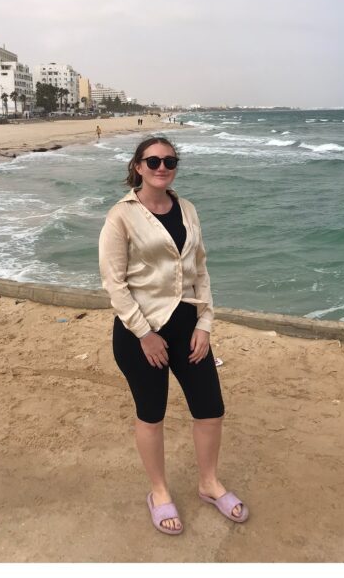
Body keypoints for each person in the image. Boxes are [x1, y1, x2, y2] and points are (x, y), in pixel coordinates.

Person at [99, 137, 248, 536]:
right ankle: (159, 491)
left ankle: (208, 483)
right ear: (138, 166)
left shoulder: (187, 209)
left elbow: (201, 271)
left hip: (188, 326)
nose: (162, 167)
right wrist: (145, 334)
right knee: (152, 414)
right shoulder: (121, 216)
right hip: (139, 333)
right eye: (154, 161)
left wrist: (205, 323)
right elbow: (114, 284)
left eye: (170, 160)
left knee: (210, 408)